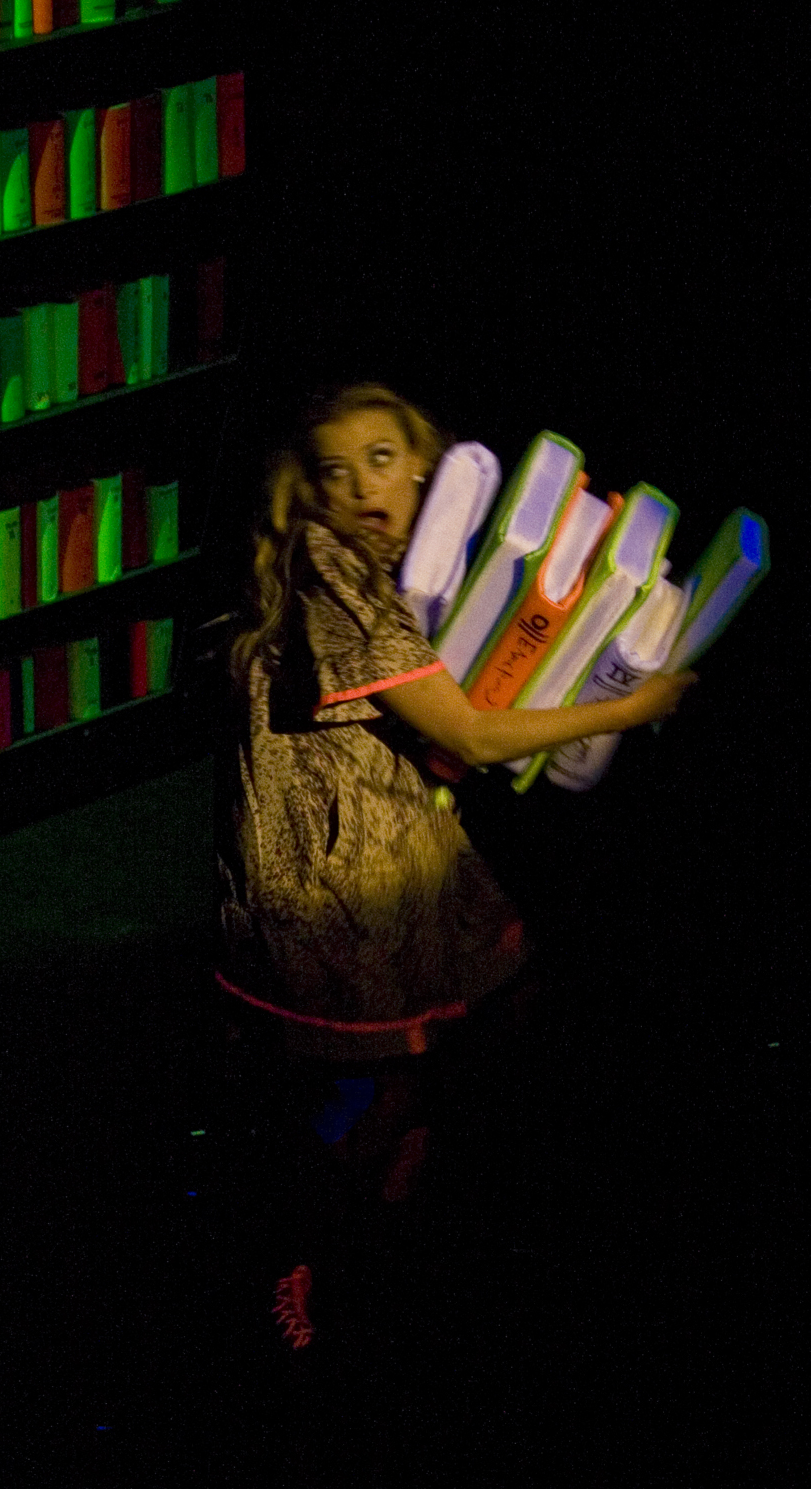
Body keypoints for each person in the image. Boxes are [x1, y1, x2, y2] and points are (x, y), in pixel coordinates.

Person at [214, 382, 697, 1348]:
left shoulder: (422, 556)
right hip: (337, 867)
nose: (361, 486)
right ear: (308, 492)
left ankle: (400, 1149)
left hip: (395, 830)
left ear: (424, 463)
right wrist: (624, 709)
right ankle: (299, 1254)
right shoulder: (331, 565)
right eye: (335, 471)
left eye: (381, 459)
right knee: (385, 1072)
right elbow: (469, 732)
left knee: (492, 999)